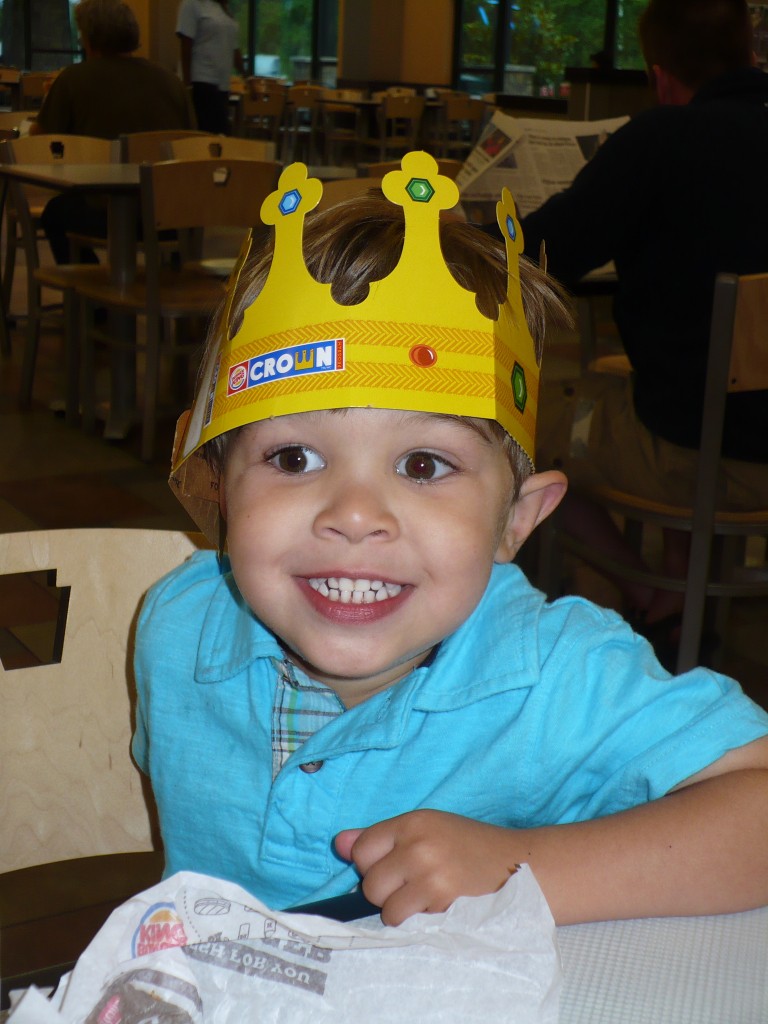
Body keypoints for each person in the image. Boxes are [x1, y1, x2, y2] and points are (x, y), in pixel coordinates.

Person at [132, 153, 768, 928]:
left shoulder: (562, 675)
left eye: (425, 464)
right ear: (219, 488)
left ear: (517, 521)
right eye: (293, 458)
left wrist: (519, 869)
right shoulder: (175, 624)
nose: (357, 514)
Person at [516, 0, 768, 645]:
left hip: (706, 448)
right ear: (750, 53)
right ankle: (686, 583)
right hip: (735, 420)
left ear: (659, 76)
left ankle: (649, 589)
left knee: (511, 429)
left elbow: (548, 254)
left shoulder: (663, 140)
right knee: (689, 378)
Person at [35, 0, 195, 264]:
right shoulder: (171, 83)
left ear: (89, 37)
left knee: (55, 213)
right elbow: (192, 145)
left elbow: (41, 142)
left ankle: (91, 297)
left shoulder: (73, 80)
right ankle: (169, 280)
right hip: (170, 215)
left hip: (104, 213)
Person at [176, 0, 244, 135]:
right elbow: (186, 45)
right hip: (202, 79)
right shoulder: (192, 4)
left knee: (217, 134)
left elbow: (234, 49)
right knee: (215, 132)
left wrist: (247, 76)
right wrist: (187, 85)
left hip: (222, 84)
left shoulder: (222, 10)